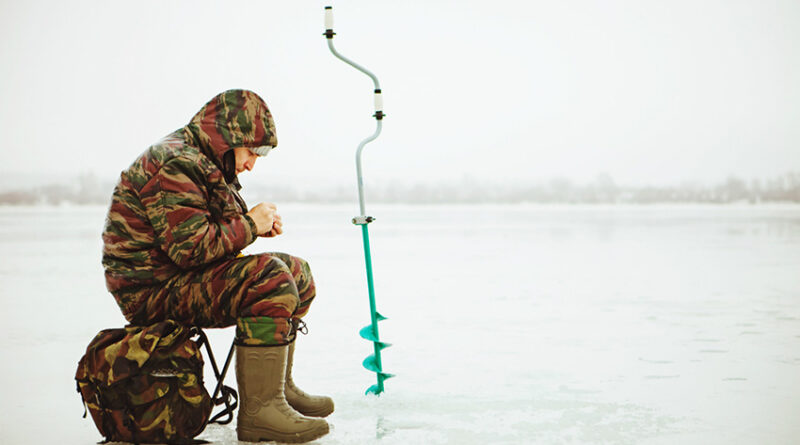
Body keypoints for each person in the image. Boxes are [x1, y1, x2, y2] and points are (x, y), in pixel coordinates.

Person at [101, 89, 332, 443]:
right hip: (151, 291)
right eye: (252, 152)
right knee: (270, 278)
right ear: (230, 138)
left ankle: (277, 389)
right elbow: (190, 249)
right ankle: (260, 414)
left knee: (297, 273)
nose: (252, 163)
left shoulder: (201, 160)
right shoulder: (175, 162)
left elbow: (204, 230)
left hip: (178, 279)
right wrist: (250, 225)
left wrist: (252, 227)